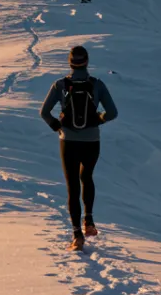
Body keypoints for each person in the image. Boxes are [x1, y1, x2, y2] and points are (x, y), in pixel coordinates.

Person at [40, 45, 118, 251]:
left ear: (70, 62)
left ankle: (77, 235)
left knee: (72, 186)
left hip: (69, 141)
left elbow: (44, 112)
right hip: (92, 141)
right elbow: (112, 112)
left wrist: (57, 126)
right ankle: (89, 222)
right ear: (87, 61)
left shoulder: (60, 85)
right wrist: (97, 120)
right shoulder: (97, 85)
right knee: (87, 178)